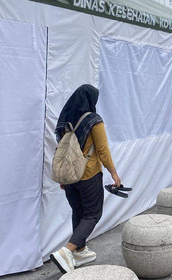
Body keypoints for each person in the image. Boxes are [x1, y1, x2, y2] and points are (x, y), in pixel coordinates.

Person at [49, 84, 122, 274]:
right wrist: (114, 174)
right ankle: (68, 251)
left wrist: (64, 179)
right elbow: (103, 151)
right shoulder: (93, 121)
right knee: (92, 214)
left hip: (69, 176)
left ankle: (80, 251)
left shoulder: (65, 120)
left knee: (78, 211)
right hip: (88, 174)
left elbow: (63, 148)